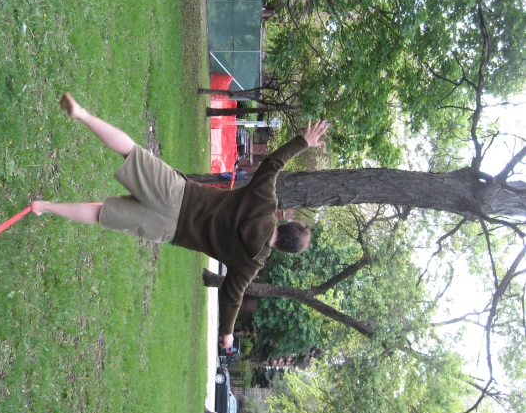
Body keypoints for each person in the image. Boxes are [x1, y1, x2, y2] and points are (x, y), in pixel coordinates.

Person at [31, 93, 329, 349]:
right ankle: (45, 207)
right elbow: (232, 297)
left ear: (285, 225)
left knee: (130, 151)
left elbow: (272, 163)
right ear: (283, 250)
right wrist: (226, 333)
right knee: (101, 215)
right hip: (169, 230)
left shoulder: (264, 202)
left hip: (178, 194)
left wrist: (303, 141)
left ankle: (81, 114)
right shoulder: (251, 263)